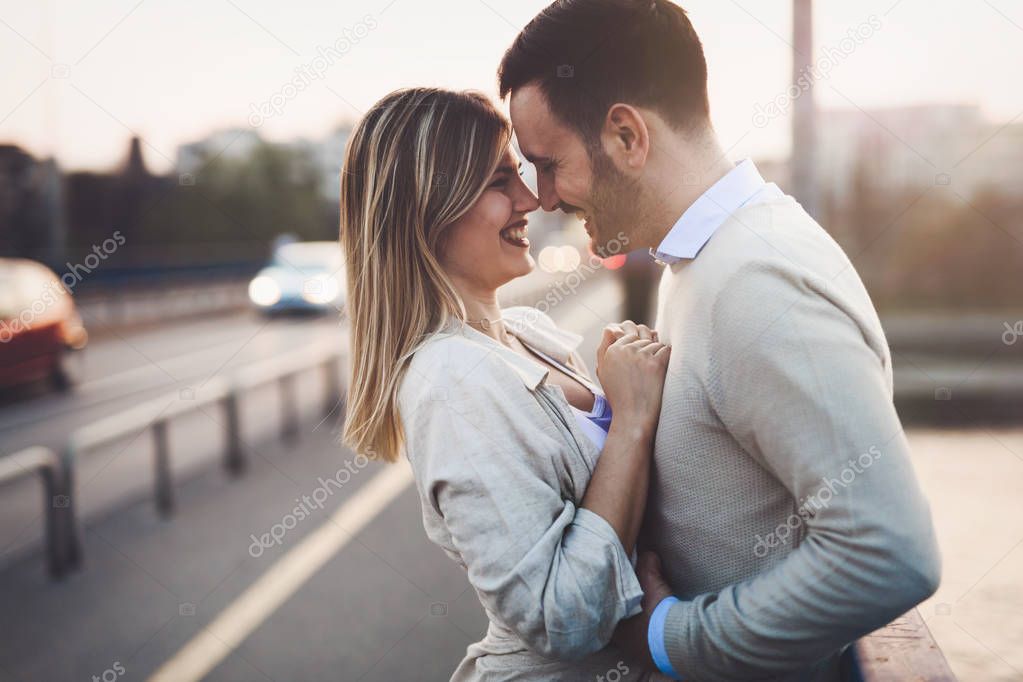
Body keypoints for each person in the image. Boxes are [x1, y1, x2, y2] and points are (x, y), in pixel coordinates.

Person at [499, 1, 942, 679]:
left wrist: (670, 637)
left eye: (548, 164)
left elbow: (886, 553)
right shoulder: (704, 262)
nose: (546, 199)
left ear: (625, 136)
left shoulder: (756, 283)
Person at [339, 86, 672, 680]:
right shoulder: (449, 381)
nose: (530, 199)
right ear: (429, 208)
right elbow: (559, 618)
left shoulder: (526, 331)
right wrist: (632, 421)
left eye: (519, 173)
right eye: (499, 182)